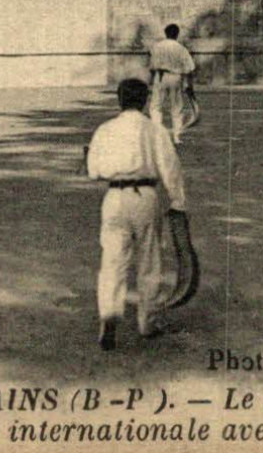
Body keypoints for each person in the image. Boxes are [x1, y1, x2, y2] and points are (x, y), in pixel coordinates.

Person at [86, 77, 188, 350]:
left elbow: (93, 170)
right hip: (145, 196)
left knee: (112, 261)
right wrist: (178, 201)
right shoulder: (155, 130)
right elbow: (170, 168)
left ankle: (109, 315)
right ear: (144, 100)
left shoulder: (105, 130)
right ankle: (147, 322)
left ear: (119, 99)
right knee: (150, 259)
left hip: (115, 198)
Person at [147, 24, 196, 142]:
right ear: (177, 34)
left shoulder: (157, 47)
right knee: (177, 107)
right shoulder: (181, 48)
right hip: (176, 77)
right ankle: (176, 136)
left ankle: (158, 135)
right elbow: (189, 68)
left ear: (166, 33)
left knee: (156, 106)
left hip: (160, 77)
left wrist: (152, 79)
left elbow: (152, 65)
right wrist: (189, 84)